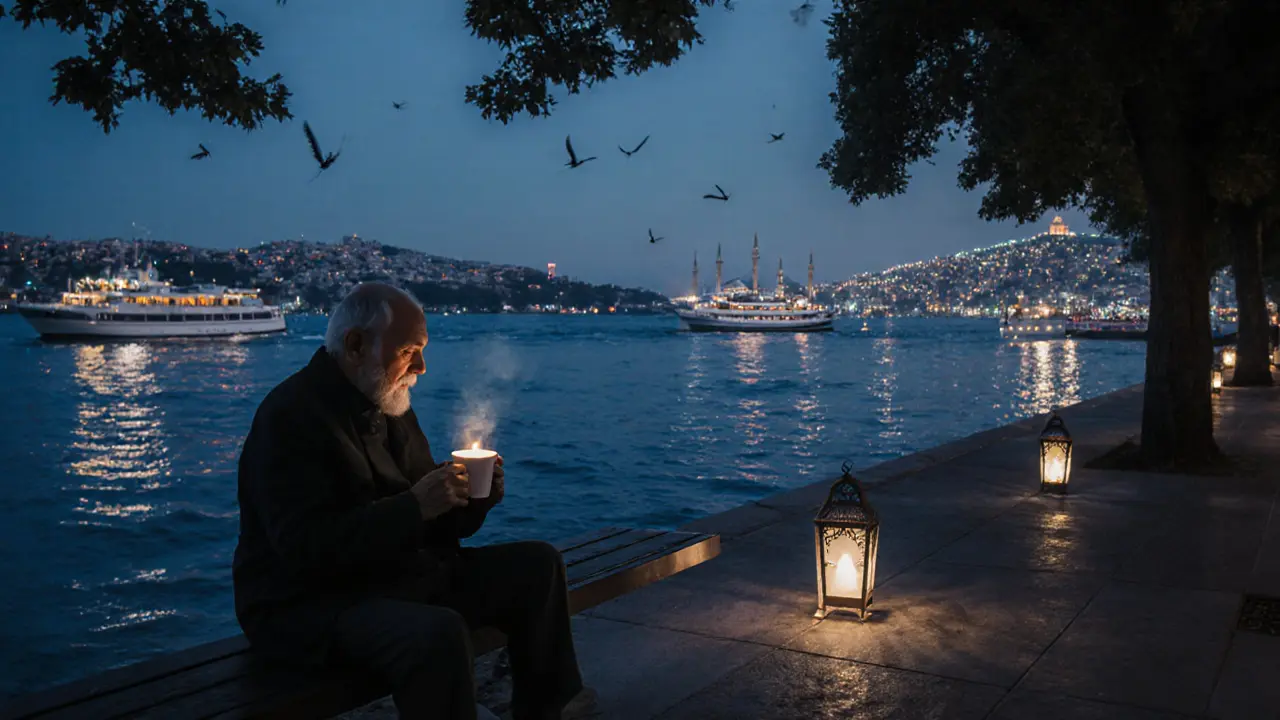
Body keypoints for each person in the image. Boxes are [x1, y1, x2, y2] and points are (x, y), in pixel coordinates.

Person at [233, 283, 593, 720]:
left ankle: (548, 709)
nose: (421, 367)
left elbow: (434, 524)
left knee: (539, 566)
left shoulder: (389, 405)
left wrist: (473, 500)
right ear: (356, 345)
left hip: (393, 577)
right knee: (437, 634)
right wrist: (415, 506)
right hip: (307, 606)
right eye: (409, 350)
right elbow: (304, 547)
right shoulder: (290, 416)